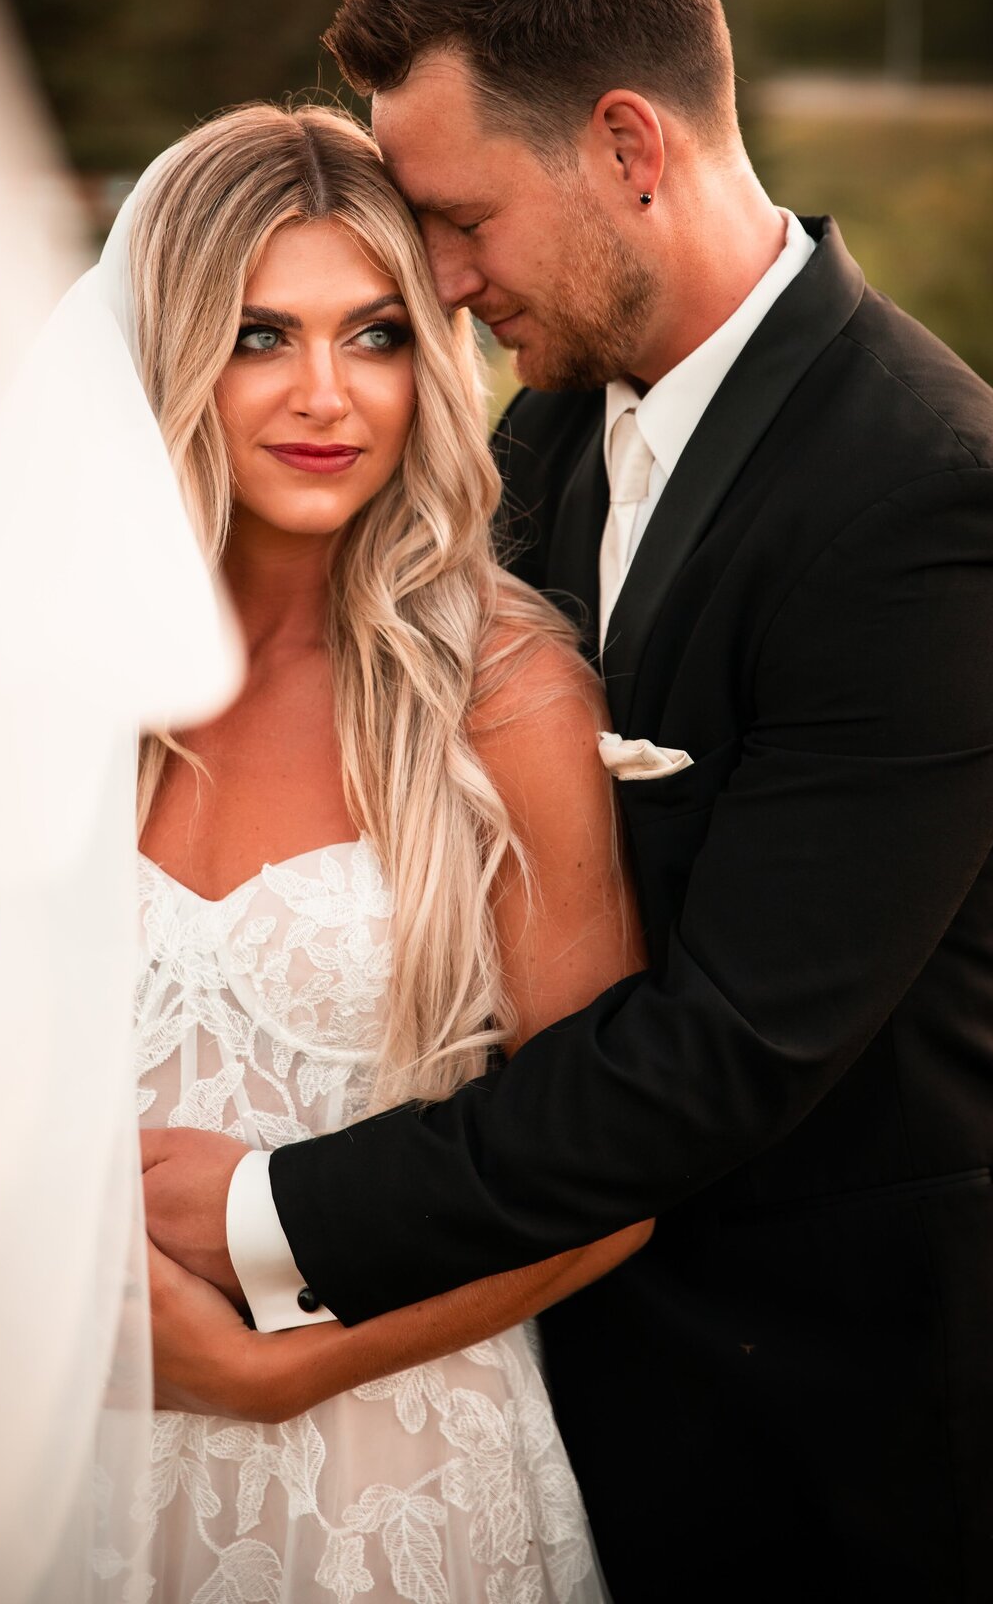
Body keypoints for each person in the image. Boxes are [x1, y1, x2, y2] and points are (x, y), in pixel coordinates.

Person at [142, 0, 993, 1604]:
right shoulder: (554, 435)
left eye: (459, 222)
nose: (448, 290)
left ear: (630, 145)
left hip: (837, 1426)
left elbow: (725, 1052)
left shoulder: (926, 502)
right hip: (561, 1382)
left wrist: (269, 1229)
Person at [111, 102, 655, 1602]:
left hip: (395, 1481)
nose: (326, 395)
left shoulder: (504, 698)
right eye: (259, 335)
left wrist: (286, 1374)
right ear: (169, 354)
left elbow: (606, 1180)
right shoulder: (58, 696)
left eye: (377, 335)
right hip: (62, 1450)